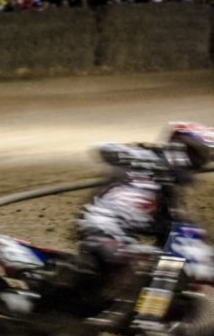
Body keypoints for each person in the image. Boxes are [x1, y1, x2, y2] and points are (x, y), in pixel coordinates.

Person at [76, 122, 214, 311]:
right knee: (140, 263)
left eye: (201, 159)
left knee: (175, 254)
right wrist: (145, 161)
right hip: (102, 227)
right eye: (195, 156)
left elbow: (173, 236)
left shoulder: (167, 194)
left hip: (123, 239)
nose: (196, 164)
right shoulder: (149, 157)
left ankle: (151, 314)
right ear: (181, 148)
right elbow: (104, 148)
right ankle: (124, 312)